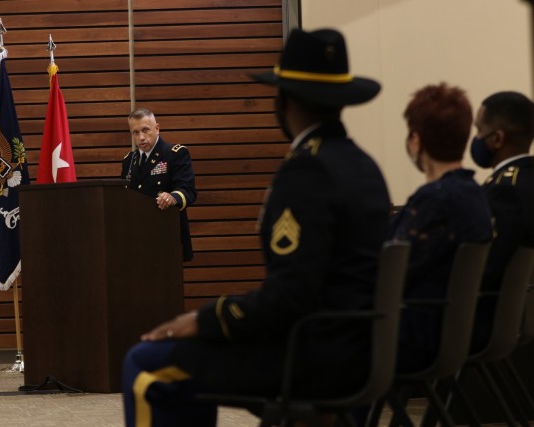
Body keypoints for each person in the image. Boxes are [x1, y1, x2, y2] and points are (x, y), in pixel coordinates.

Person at [122, 28, 391, 427]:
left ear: (285, 102)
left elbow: (291, 296)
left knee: (145, 365)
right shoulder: (365, 166)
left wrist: (207, 317)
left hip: (315, 352)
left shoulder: (305, 171)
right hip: (362, 346)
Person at [390, 83, 493, 374]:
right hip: (450, 334)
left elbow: (392, 271)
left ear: (415, 140)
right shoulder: (473, 193)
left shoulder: (435, 200)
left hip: (416, 337)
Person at [469, 91, 534, 352]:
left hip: (494, 323)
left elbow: (487, 269)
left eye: (478, 130)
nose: (475, 139)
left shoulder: (504, 189)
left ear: (497, 138)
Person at [121, 108, 197, 262]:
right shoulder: (129, 160)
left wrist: (172, 197)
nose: (141, 137)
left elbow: (188, 190)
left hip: (167, 234)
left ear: (157, 128)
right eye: (135, 133)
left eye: (145, 130)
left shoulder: (175, 154)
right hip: (138, 238)